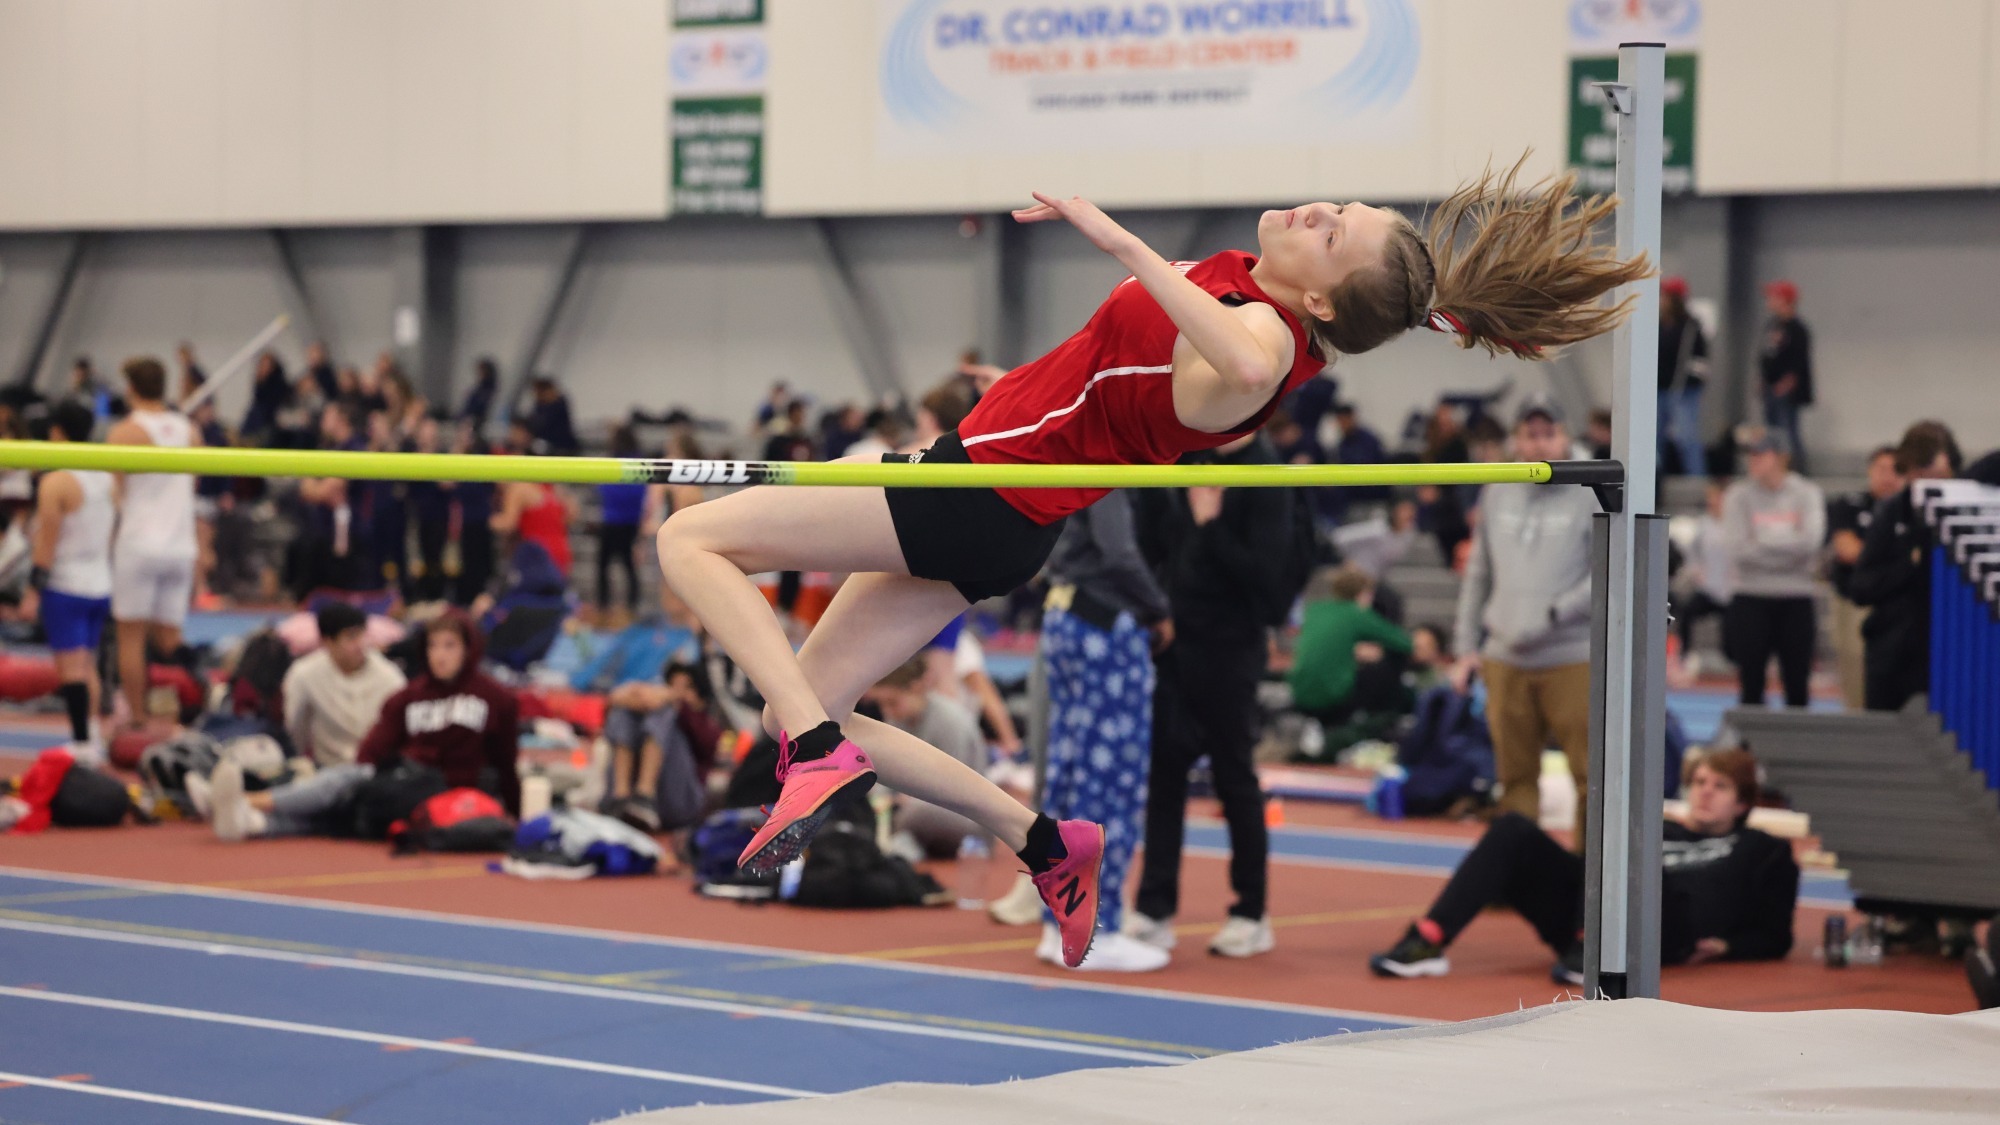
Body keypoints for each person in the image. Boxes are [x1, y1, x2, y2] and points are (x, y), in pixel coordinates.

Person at [655, 168, 1646, 968]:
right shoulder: (1252, 297)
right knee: (823, 697)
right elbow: (1106, 381)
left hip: (975, 500)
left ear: (1317, 295)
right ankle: (1042, 841)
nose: (1316, 208)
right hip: (995, 502)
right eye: (1340, 206)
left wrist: (1115, 237)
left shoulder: (1263, 332)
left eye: (1333, 231)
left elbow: (1248, 369)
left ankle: (813, 747)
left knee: (686, 541)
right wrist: (1013, 395)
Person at [1369, 748, 1798, 983]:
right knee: (1515, 830)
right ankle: (1428, 939)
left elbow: (1776, 935)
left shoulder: (1761, 849)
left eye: (1719, 787)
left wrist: (1728, 946)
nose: (1705, 793)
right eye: (1700, 782)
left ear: (1742, 802)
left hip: (1666, 930)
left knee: (1635, 851)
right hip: (1587, 919)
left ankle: (1591, 943)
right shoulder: (1659, 828)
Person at [1130, 430, 1301, 961]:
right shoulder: (1189, 456)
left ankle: (1251, 911)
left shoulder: (1266, 474)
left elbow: (1271, 588)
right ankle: (1154, 907)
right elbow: (1162, 546)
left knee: (1234, 779)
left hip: (1232, 650)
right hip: (1178, 647)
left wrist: (1213, 524)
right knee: (1165, 774)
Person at [206, 611, 520, 841]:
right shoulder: (409, 696)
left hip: (456, 795)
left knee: (345, 781)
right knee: (342, 808)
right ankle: (252, 823)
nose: (440, 655)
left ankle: (246, 801)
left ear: (468, 649)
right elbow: (373, 749)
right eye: (433, 646)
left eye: (450, 646)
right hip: (409, 785)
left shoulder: (495, 698)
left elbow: (507, 762)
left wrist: (515, 812)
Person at [1033, 487, 1171, 971]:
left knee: (1068, 772)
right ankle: (1099, 925)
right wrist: (1159, 608)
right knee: (1112, 778)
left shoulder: (1070, 460)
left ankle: (1058, 923)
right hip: (1104, 624)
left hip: (1064, 613)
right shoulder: (1109, 467)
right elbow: (1118, 552)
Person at [1450, 395, 1597, 827]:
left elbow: (1608, 570)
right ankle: (1520, 883)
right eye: (1529, 435)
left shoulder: (1594, 488)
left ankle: (1591, 891)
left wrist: (1555, 614)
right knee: (1514, 781)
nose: (1539, 445)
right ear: (1516, 440)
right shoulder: (1498, 487)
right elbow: (1478, 572)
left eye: (1548, 433)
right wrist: (1464, 647)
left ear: (1566, 436)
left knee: (1593, 778)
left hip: (1571, 657)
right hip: (1505, 657)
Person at [106, 357, 202, 729]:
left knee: (130, 636)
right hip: (180, 545)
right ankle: (178, 710)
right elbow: (192, 484)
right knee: (169, 641)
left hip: (140, 543)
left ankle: (138, 718)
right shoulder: (188, 430)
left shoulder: (125, 432)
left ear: (131, 388)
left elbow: (114, 491)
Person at [22, 401, 115, 762]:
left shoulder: (57, 481)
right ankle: (91, 739)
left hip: (66, 584)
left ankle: (80, 743)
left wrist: (34, 588)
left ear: (57, 433)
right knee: (87, 666)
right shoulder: (106, 475)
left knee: (71, 669)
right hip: (98, 582)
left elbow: (47, 541)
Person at [1851, 421, 1963, 711]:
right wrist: (1909, 565)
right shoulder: (1892, 513)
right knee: (1882, 740)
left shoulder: (1970, 513)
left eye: (1938, 477)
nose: (1930, 489)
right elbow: (1861, 586)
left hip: (1954, 655)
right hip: (1893, 655)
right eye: (1921, 477)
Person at [1721, 427, 1825, 709]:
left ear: (1781, 457)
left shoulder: (1806, 493)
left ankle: (1797, 751)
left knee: (1797, 686)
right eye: (1750, 455)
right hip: (1750, 597)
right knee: (1751, 687)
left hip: (1796, 597)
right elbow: (1737, 549)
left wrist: (1762, 541)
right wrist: (1789, 543)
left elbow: (1811, 543)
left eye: (1760, 454)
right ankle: (1749, 751)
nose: (1752, 461)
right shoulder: (1737, 496)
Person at [863, 655, 994, 856]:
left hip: (968, 818)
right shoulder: (898, 719)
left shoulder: (950, 722)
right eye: (881, 704)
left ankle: (898, 845)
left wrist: (908, 800)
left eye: (892, 702)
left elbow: (958, 790)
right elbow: (886, 775)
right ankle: (900, 845)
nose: (886, 711)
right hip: (918, 807)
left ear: (916, 689)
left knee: (912, 814)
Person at [278, 603, 407, 768]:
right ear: (327, 642)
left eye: (362, 635)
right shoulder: (303, 675)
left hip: (377, 768)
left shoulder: (390, 676)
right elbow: (296, 728)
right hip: (327, 768)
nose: (360, 644)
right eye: (351, 637)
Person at [601, 659, 721, 834]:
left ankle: (645, 795)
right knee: (624, 711)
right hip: (630, 795)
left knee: (666, 712)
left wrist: (671, 699)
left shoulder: (703, 722)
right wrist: (630, 696)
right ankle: (621, 796)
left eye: (687, 688)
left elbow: (709, 744)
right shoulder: (651, 710)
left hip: (680, 801)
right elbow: (612, 705)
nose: (676, 692)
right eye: (672, 685)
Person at [1287, 564, 1413, 730]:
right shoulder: (1356, 614)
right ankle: (1381, 722)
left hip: (1299, 694)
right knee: (1393, 662)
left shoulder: (1315, 609)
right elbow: (1405, 643)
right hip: (1332, 697)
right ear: (1363, 594)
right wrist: (1378, 650)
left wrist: (1354, 649)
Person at [1825, 447, 1903, 710]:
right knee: (1855, 672)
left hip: (1898, 608)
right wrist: (1895, 557)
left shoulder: (1910, 510)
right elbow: (1847, 550)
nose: (1888, 477)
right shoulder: (1849, 504)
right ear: (1870, 471)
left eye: (1895, 470)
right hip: (1854, 602)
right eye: (1882, 469)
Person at [1671, 479, 1735, 680]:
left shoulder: (1736, 524)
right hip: (1709, 587)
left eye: (1717, 497)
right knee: (1686, 612)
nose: (1713, 501)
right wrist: (1696, 571)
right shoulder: (1704, 524)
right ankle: (1685, 655)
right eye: (1711, 497)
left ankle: (1734, 660)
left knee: (1732, 633)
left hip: (1733, 591)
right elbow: (1692, 554)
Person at [1758, 280, 1813, 473]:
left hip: (1786, 391)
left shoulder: (1797, 329)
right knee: (1773, 433)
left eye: (1774, 297)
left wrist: (1787, 383)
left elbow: (1798, 362)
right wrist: (1763, 381)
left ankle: (1797, 471)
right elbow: (1766, 356)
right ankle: (1776, 469)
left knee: (1788, 432)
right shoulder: (1772, 326)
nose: (1769, 301)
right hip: (1771, 389)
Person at [1657, 276, 1710, 477]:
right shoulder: (1659, 326)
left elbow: (1700, 362)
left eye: (1665, 296)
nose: (1661, 300)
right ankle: (1655, 481)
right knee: (1655, 439)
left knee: (1685, 437)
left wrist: (1690, 385)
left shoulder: (1691, 327)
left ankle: (1696, 480)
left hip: (1683, 391)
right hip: (1660, 390)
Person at [595, 426, 649, 623]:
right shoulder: (637, 461)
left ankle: (608, 604)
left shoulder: (617, 462)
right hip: (628, 521)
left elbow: (604, 488)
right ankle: (624, 605)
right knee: (625, 566)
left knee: (609, 565)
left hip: (615, 520)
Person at [525, 376, 579, 456]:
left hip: (562, 447)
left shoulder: (559, 405)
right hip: (546, 445)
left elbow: (542, 424)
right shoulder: (539, 405)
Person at [461, 357, 500, 426]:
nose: (479, 374)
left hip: (477, 420)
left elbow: (480, 406)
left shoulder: (488, 389)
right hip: (469, 416)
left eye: (481, 371)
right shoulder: (479, 387)